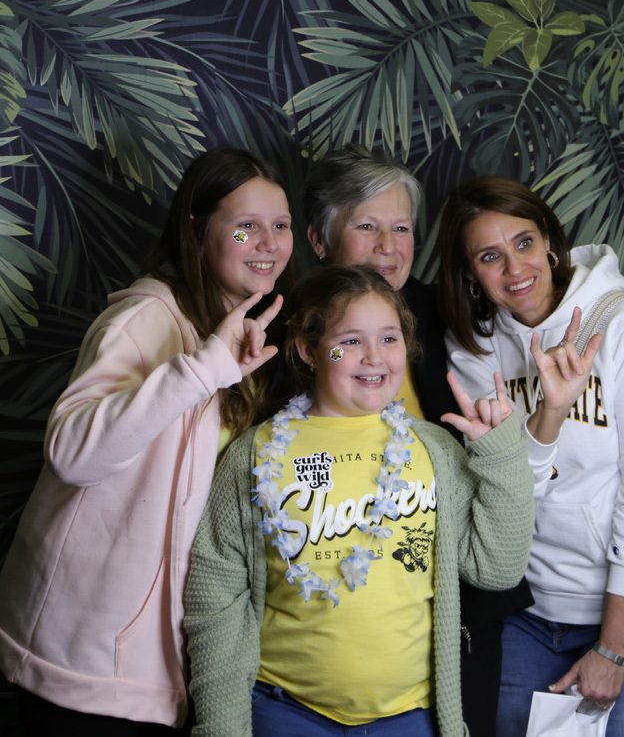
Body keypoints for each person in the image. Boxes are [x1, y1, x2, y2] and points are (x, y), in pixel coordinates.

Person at [0, 147, 294, 735]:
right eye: (246, 226)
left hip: (162, 659)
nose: (268, 242)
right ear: (197, 229)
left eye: (280, 226)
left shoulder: (245, 331)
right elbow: (72, 453)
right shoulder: (146, 318)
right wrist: (201, 369)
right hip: (80, 659)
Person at [183, 264, 535, 737]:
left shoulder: (435, 451)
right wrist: (221, 728)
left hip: (410, 717)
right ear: (309, 350)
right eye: (349, 341)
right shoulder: (254, 454)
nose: (374, 357)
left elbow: (496, 568)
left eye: (389, 339)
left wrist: (502, 452)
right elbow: (216, 604)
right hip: (285, 712)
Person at [439, 177, 624, 737]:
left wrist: (614, 647)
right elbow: (508, 497)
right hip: (532, 616)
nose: (516, 269)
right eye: (490, 256)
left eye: (525, 243)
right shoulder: (473, 351)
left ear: (550, 245)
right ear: (471, 274)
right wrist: (549, 415)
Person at [302, 145, 532, 734]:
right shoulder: (286, 337)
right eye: (367, 226)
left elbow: (529, 287)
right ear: (320, 241)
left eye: (401, 227)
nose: (388, 246)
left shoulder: (446, 312)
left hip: (459, 603)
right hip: (336, 622)